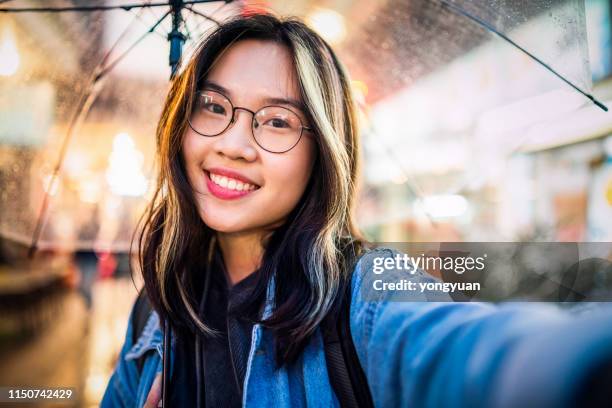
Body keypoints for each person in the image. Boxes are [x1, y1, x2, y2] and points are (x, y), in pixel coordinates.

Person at [101, 13, 612, 408]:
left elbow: (471, 352)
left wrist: (574, 364)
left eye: (277, 121)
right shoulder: (156, 312)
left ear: (321, 152)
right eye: (212, 106)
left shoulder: (366, 292)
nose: (234, 144)